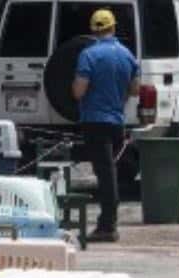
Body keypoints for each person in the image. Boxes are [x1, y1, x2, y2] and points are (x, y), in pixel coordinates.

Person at [72, 9, 140, 243]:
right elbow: (134, 89)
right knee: (111, 170)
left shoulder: (88, 55)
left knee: (105, 173)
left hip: (95, 121)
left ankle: (107, 226)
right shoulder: (127, 55)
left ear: (93, 29)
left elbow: (79, 90)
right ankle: (108, 221)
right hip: (116, 122)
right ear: (113, 27)